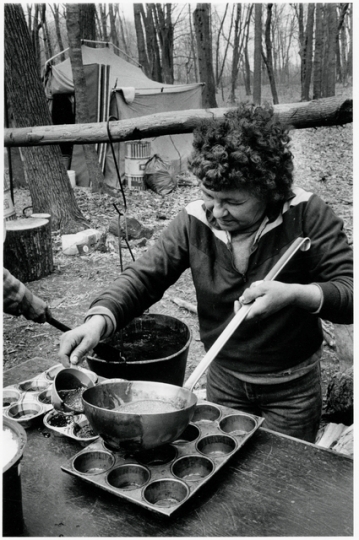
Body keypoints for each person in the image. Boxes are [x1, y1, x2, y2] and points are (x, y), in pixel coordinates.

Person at [58, 103, 353, 443]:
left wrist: (295, 294)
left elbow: (349, 293)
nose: (217, 211)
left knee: (280, 480)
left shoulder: (306, 214)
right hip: (224, 379)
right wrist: (98, 321)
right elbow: (144, 278)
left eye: (233, 202)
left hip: (291, 388)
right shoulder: (195, 221)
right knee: (225, 471)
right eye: (209, 195)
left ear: (269, 191)